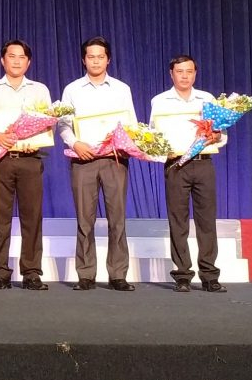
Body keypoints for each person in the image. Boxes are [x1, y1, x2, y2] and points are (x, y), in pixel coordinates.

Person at [58, 36, 138, 292]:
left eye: (100, 56)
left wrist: (123, 141)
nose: (95, 61)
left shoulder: (121, 89)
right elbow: (63, 125)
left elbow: (131, 124)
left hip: (115, 159)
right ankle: (85, 274)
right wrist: (75, 143)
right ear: (84, 60)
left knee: (117, 218)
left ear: (108, 59)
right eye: (90, 56)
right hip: (84, 160)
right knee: (84, 219)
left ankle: (118, 274)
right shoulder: (72, 89)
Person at [0, 40, 53, 291]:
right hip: (0, 160)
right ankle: (0, 271)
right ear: (2, 60)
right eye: (11, 56)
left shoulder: (39, 90)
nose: (16, 61)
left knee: (32, 217)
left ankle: (31, 272)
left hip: (31, 160)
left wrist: (36, 141)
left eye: (21, 57)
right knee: (0, 217)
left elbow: (47, 121)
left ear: (28, 62)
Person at [150, 55, 227, 293]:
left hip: (203, 164)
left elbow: (222, 134)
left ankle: (209, 275)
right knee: (178, 221)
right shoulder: (160, 101)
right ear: (171, 74)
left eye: (189, 71)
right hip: (176, 166)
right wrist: (162, 151)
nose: (184, 76)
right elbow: (153, 136)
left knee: (207, 221)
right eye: (180, 71)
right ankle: (182, 275)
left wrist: (216, 136)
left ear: (195, 74)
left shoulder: (207, 99)